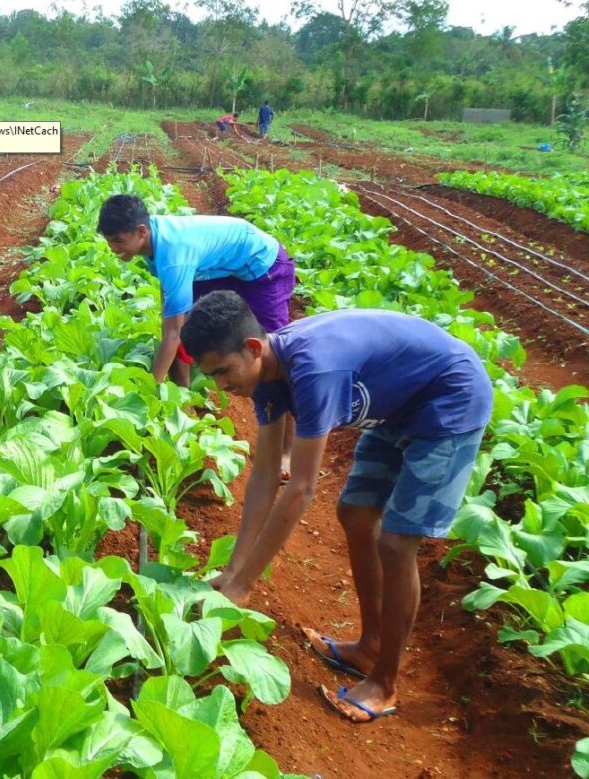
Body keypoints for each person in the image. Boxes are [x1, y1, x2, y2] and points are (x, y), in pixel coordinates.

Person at [180, 293, 492, 724]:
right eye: (211, 375)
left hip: (448, 400)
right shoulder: (265, 378)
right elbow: (266, 472)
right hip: (397, 407)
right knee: (356, 512)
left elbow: (301, 487)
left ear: (252, 348)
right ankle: (368, 648)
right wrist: (234, 571)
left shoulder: (314, 370)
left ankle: (385, 683)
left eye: (222, 371)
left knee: (397, 542)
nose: (219, 385)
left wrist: (246, 584)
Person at [97, 194, 296, 477]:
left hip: (262, 266)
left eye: (117, 241)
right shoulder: (151, 244)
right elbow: (172, 314)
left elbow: (172, 333)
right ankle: (184, 401)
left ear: (141, 231)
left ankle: (286, 454)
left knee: (274, 360)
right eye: (109, 241)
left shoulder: (173, 255)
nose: (113, 248)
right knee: (190, 328)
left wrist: (150, 394)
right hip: (219, 269)